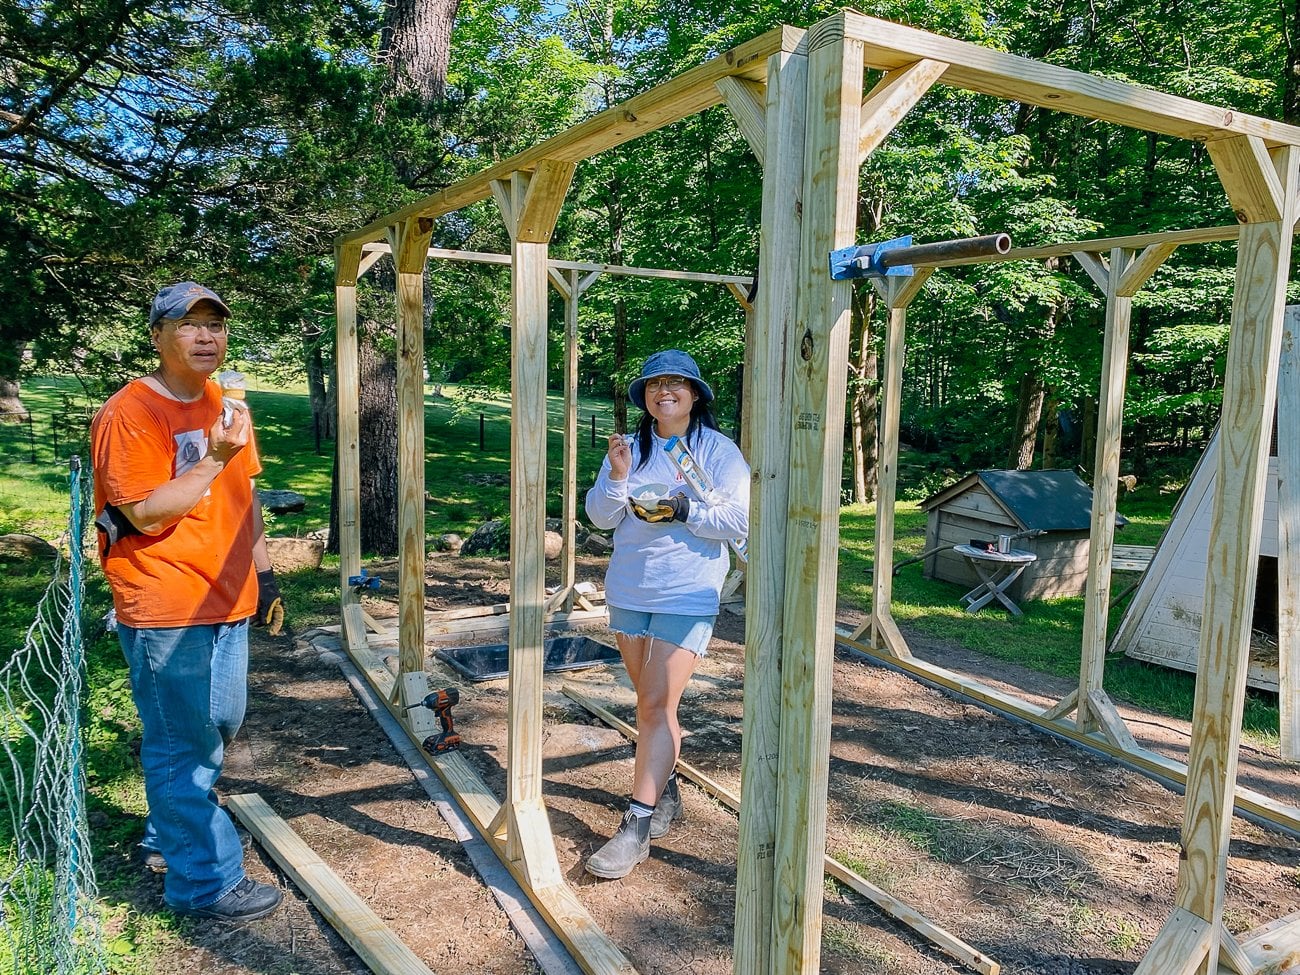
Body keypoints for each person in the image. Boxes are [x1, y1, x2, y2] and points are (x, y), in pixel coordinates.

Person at [90, 282, 285, 922]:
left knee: (217, 724)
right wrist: (214, 458)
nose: (206, 336)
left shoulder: (226, 404)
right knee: (184, 744)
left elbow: (244, 495)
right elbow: (143, 514)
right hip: (168, 602)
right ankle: (202, 882)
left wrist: (266, 575)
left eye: (215, 325)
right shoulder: (131, 413)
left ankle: (169, 829)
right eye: (188, 325)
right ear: (158, 336)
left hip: (229, 597)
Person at [583, 348, 749, 879]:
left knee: (655, 703)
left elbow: (739, 518)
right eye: (655, 384)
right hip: (630, 588)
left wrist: (685, 510)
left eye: (677, 383)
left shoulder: (719, 452)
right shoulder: (630, 448)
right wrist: (615, 476)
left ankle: (635, 826)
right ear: (645, 397)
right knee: (652, 705)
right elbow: (601, 517)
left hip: (687, 589)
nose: (665, 391)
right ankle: (663, 788)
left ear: (695, 395)